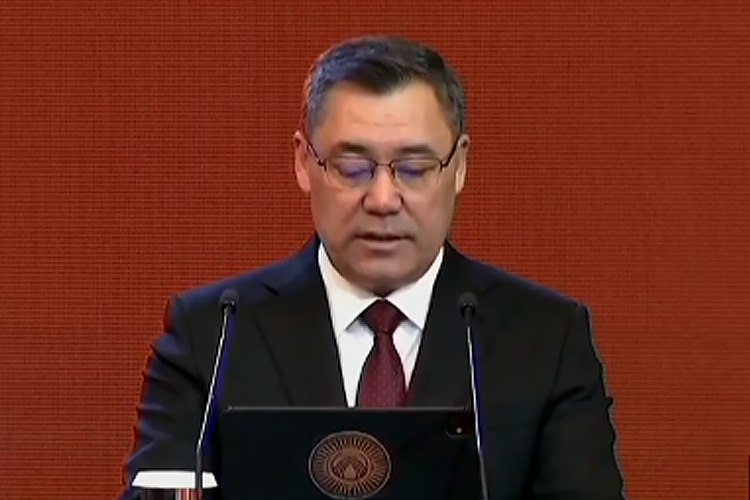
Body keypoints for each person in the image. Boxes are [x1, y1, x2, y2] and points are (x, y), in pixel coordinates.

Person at [122, 35, 624, 499]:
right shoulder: (212, 335)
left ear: (459, 166)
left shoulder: (546, 339)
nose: (383, 200)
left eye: (414, 168)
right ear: (303, 162)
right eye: (352, 168)